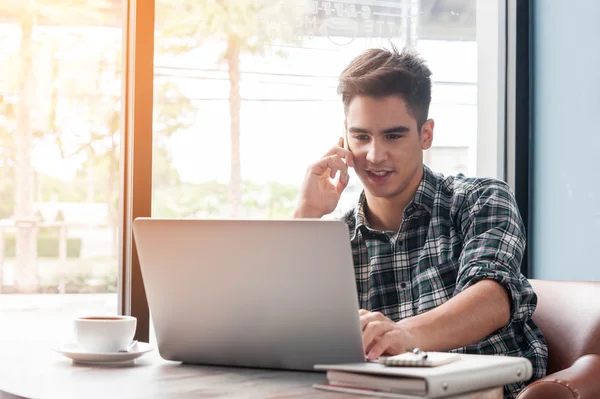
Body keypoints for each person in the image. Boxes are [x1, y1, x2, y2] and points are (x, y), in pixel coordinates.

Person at [293, 46, 548, 398]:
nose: (374, 155)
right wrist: (306, 212)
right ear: (344, 139)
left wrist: (402, 334)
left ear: (425, 134)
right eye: (361, 136)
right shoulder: (334, 238)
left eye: (393, 136)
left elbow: (492, 298)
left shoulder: (481, 199)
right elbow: (276, 324)